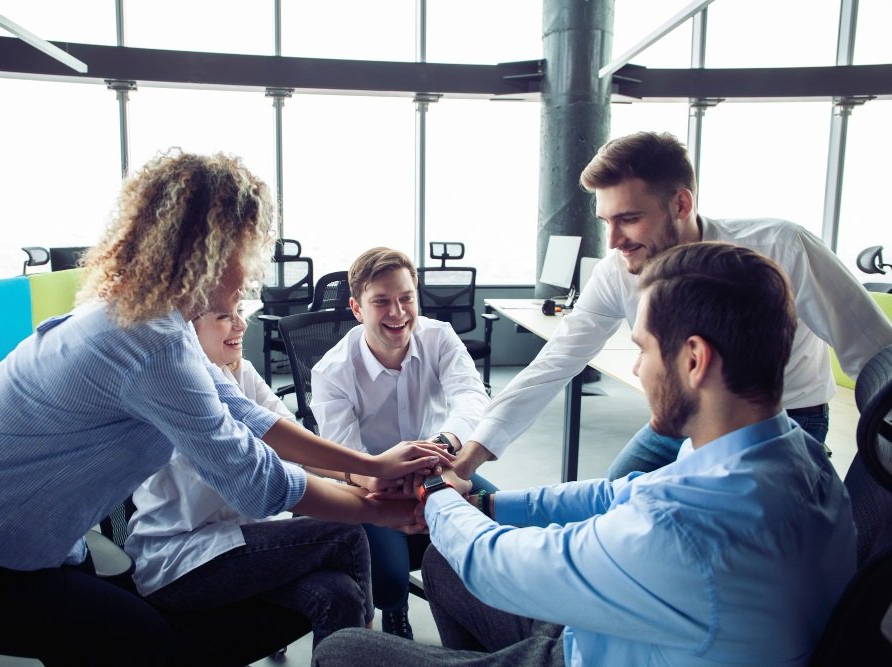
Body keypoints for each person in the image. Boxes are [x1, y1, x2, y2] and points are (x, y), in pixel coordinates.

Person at [0, 150, 450, 666]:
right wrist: (381, 511)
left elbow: (246, 412)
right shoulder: (147, 341)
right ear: (209, 249)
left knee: (111, 636)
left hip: (4, 528)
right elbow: (254, 479)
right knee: (139, 644)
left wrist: (376, 467)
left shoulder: (155, 321)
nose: (252, 268)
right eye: (247, 249)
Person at [313, 241, 858, 666]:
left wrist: (432, 490)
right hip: (644, 626)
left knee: (342, 652)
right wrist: (486, 507)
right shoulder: (798, 459)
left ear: (693, 360)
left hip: (587, 651)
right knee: (442, 561)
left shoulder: (681, 527)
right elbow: (614, 493)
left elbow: (497, 563)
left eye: (642, 350)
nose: (638, 370)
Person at [450, 130, 892, 483]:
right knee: (614, 509)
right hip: (681, 419)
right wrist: (470, 457)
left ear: (681, 203)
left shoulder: (780, 246)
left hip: (784, 423)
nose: (614, 240)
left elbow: (877, 356)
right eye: (607, 221)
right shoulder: (618, 270)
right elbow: (553, 364)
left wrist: (877, 475)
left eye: (628, 218)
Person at [125, 302, 376, 648]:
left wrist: (364, 478)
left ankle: (362, 651)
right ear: (188, 328)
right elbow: (264, 479)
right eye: (225, 317)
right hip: (184, 558)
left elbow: (296, 443)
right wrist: (368, 500)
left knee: (341, 595)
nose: (242, 324)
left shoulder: (239, 372)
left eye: (240, 311)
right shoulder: (179, 395)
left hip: (248, 544)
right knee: (346, 534)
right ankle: (371, 651)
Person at [311, 247, 498, 639]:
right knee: (392, 580)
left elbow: (472, 398)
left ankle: (478, 618)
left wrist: (442, 444)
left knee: (499, 523)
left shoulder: (439, 337)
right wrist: (394, 478)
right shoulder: (332, 372)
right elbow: (351, 460)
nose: (397, 313)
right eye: (381, 301)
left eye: (405, 298)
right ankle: (395, 613)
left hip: (437, 467)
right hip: (373, 484)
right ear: (357, 308)